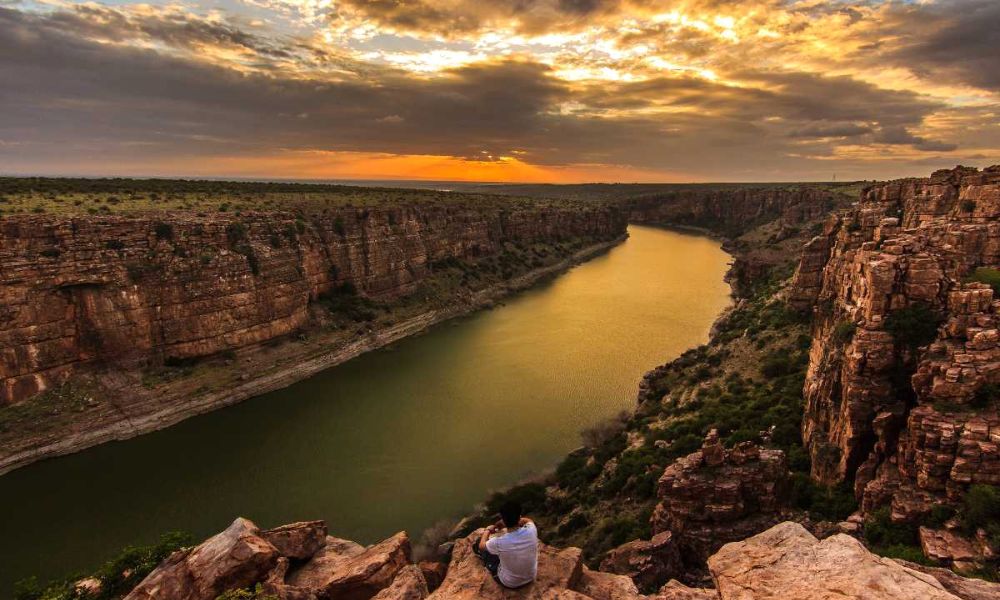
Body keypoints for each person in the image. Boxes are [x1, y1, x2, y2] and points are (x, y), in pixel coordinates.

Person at [473, 500, 539, 589]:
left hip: (510, 582)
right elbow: (528, 520)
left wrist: (487, 530)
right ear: (519, 517)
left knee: (479, 545)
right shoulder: (531, 529)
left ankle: (491, 567)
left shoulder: (499, 542)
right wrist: (515, 520)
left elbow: (482, 546)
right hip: (531, 576)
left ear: (503, 519)